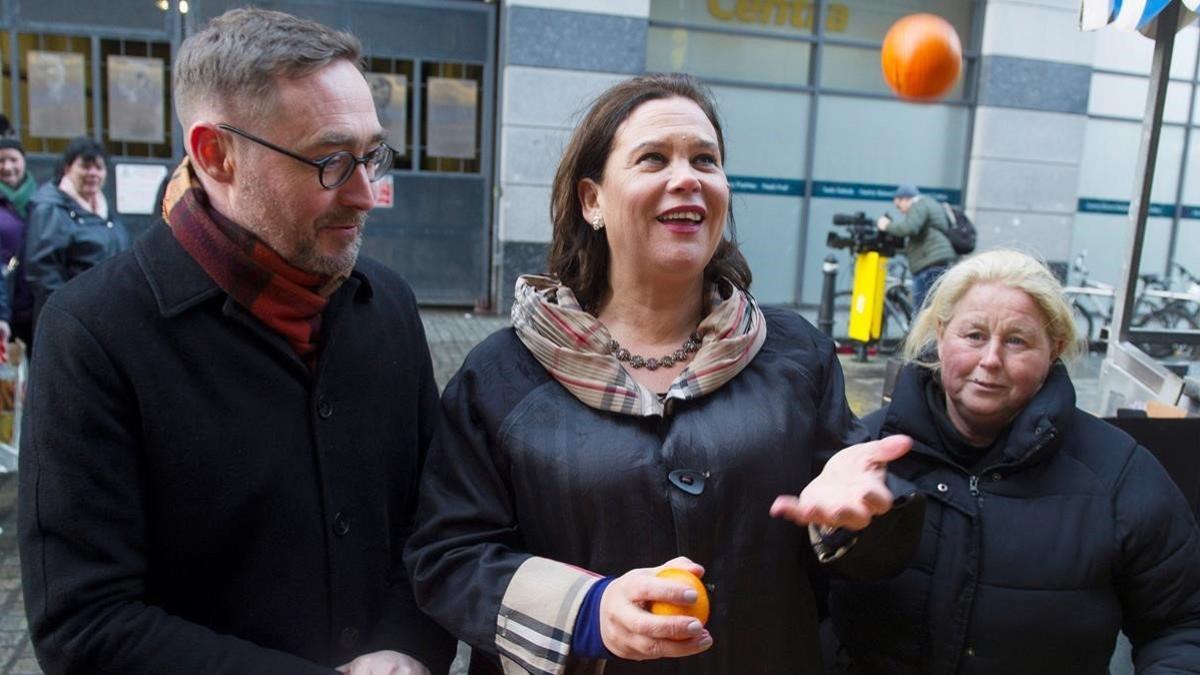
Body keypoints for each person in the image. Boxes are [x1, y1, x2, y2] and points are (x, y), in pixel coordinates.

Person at [405, 73, 922, 674]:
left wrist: (857, 521)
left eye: (706, 159)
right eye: (654, 158)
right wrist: (588, 612)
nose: (687, 177)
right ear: (591, 200)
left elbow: (852, 552)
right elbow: (448, 558)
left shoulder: (796, 355)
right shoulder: (500, 374)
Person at [19, 8, 454, 674]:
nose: (367, 192)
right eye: (331, 160)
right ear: (215, 154)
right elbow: (84, 624)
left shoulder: (388, 303)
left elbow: (433, 521)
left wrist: (404, 646)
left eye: (371, 154)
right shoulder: (92, 333)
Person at [826, 249, 1200, 673]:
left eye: (1017, 340)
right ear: (942, 334)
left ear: (1054, 349)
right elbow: (799, 606)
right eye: (974, 335)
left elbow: (1184, 624)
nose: (991, 360)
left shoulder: (1116, 474)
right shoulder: (863, 456)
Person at [24, 136, 131, 325]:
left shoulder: (105, 212)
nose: (92, 173)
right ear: (67, 169)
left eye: (98, 167)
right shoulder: (50, 209)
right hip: (71, 320)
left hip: (105, 316)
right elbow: (42, 271)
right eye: (85, 166)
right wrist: (69, 312)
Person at [875, 184, 955, 312]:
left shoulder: (919, 204)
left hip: (929, 263)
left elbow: (910, 228)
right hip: (936, 261)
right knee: (931, 309)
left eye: (898, 205)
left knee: (921, 312)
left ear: (906, 199)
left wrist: (886, 226)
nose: (900, 210)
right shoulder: (929, 204)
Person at [0, 138, 37, 347]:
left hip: (34, 306)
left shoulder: (41, 199)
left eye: (13, 159)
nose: (7, 167)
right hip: (5, 308)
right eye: (1, 160)